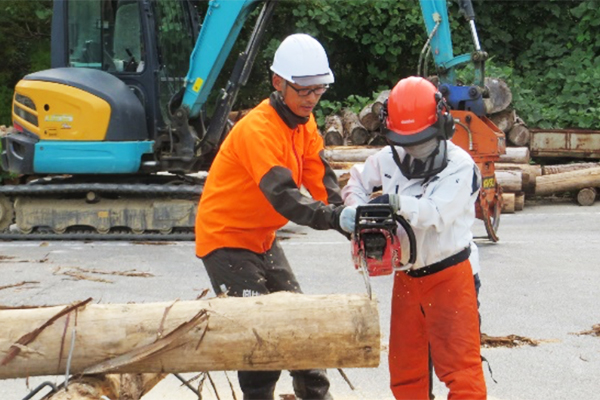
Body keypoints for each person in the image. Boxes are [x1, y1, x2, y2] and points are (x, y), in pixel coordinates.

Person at [195, 33, 353, 400]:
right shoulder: (258, 130)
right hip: (225, 240)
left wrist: (347, 215)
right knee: (261, 331)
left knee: (300, 322)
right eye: (304, 90)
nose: (312, 99)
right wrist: (332, 219)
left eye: (319, 91)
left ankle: (316, 396)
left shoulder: (304, 124)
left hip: (261, 238)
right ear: (278, 83)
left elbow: (318, 174)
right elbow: (284, 196)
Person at [340, 76, 487, 400]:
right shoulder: (390, 158)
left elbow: (435, 213)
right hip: (406, 276)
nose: (414, 152)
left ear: (441, 127)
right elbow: (356, 180)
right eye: (406, 144)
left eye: (421, 143)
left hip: (450, 274)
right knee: (406, 373)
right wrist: (354, 209)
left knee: (461, 374)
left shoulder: (460, 166)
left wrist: (393, 204)